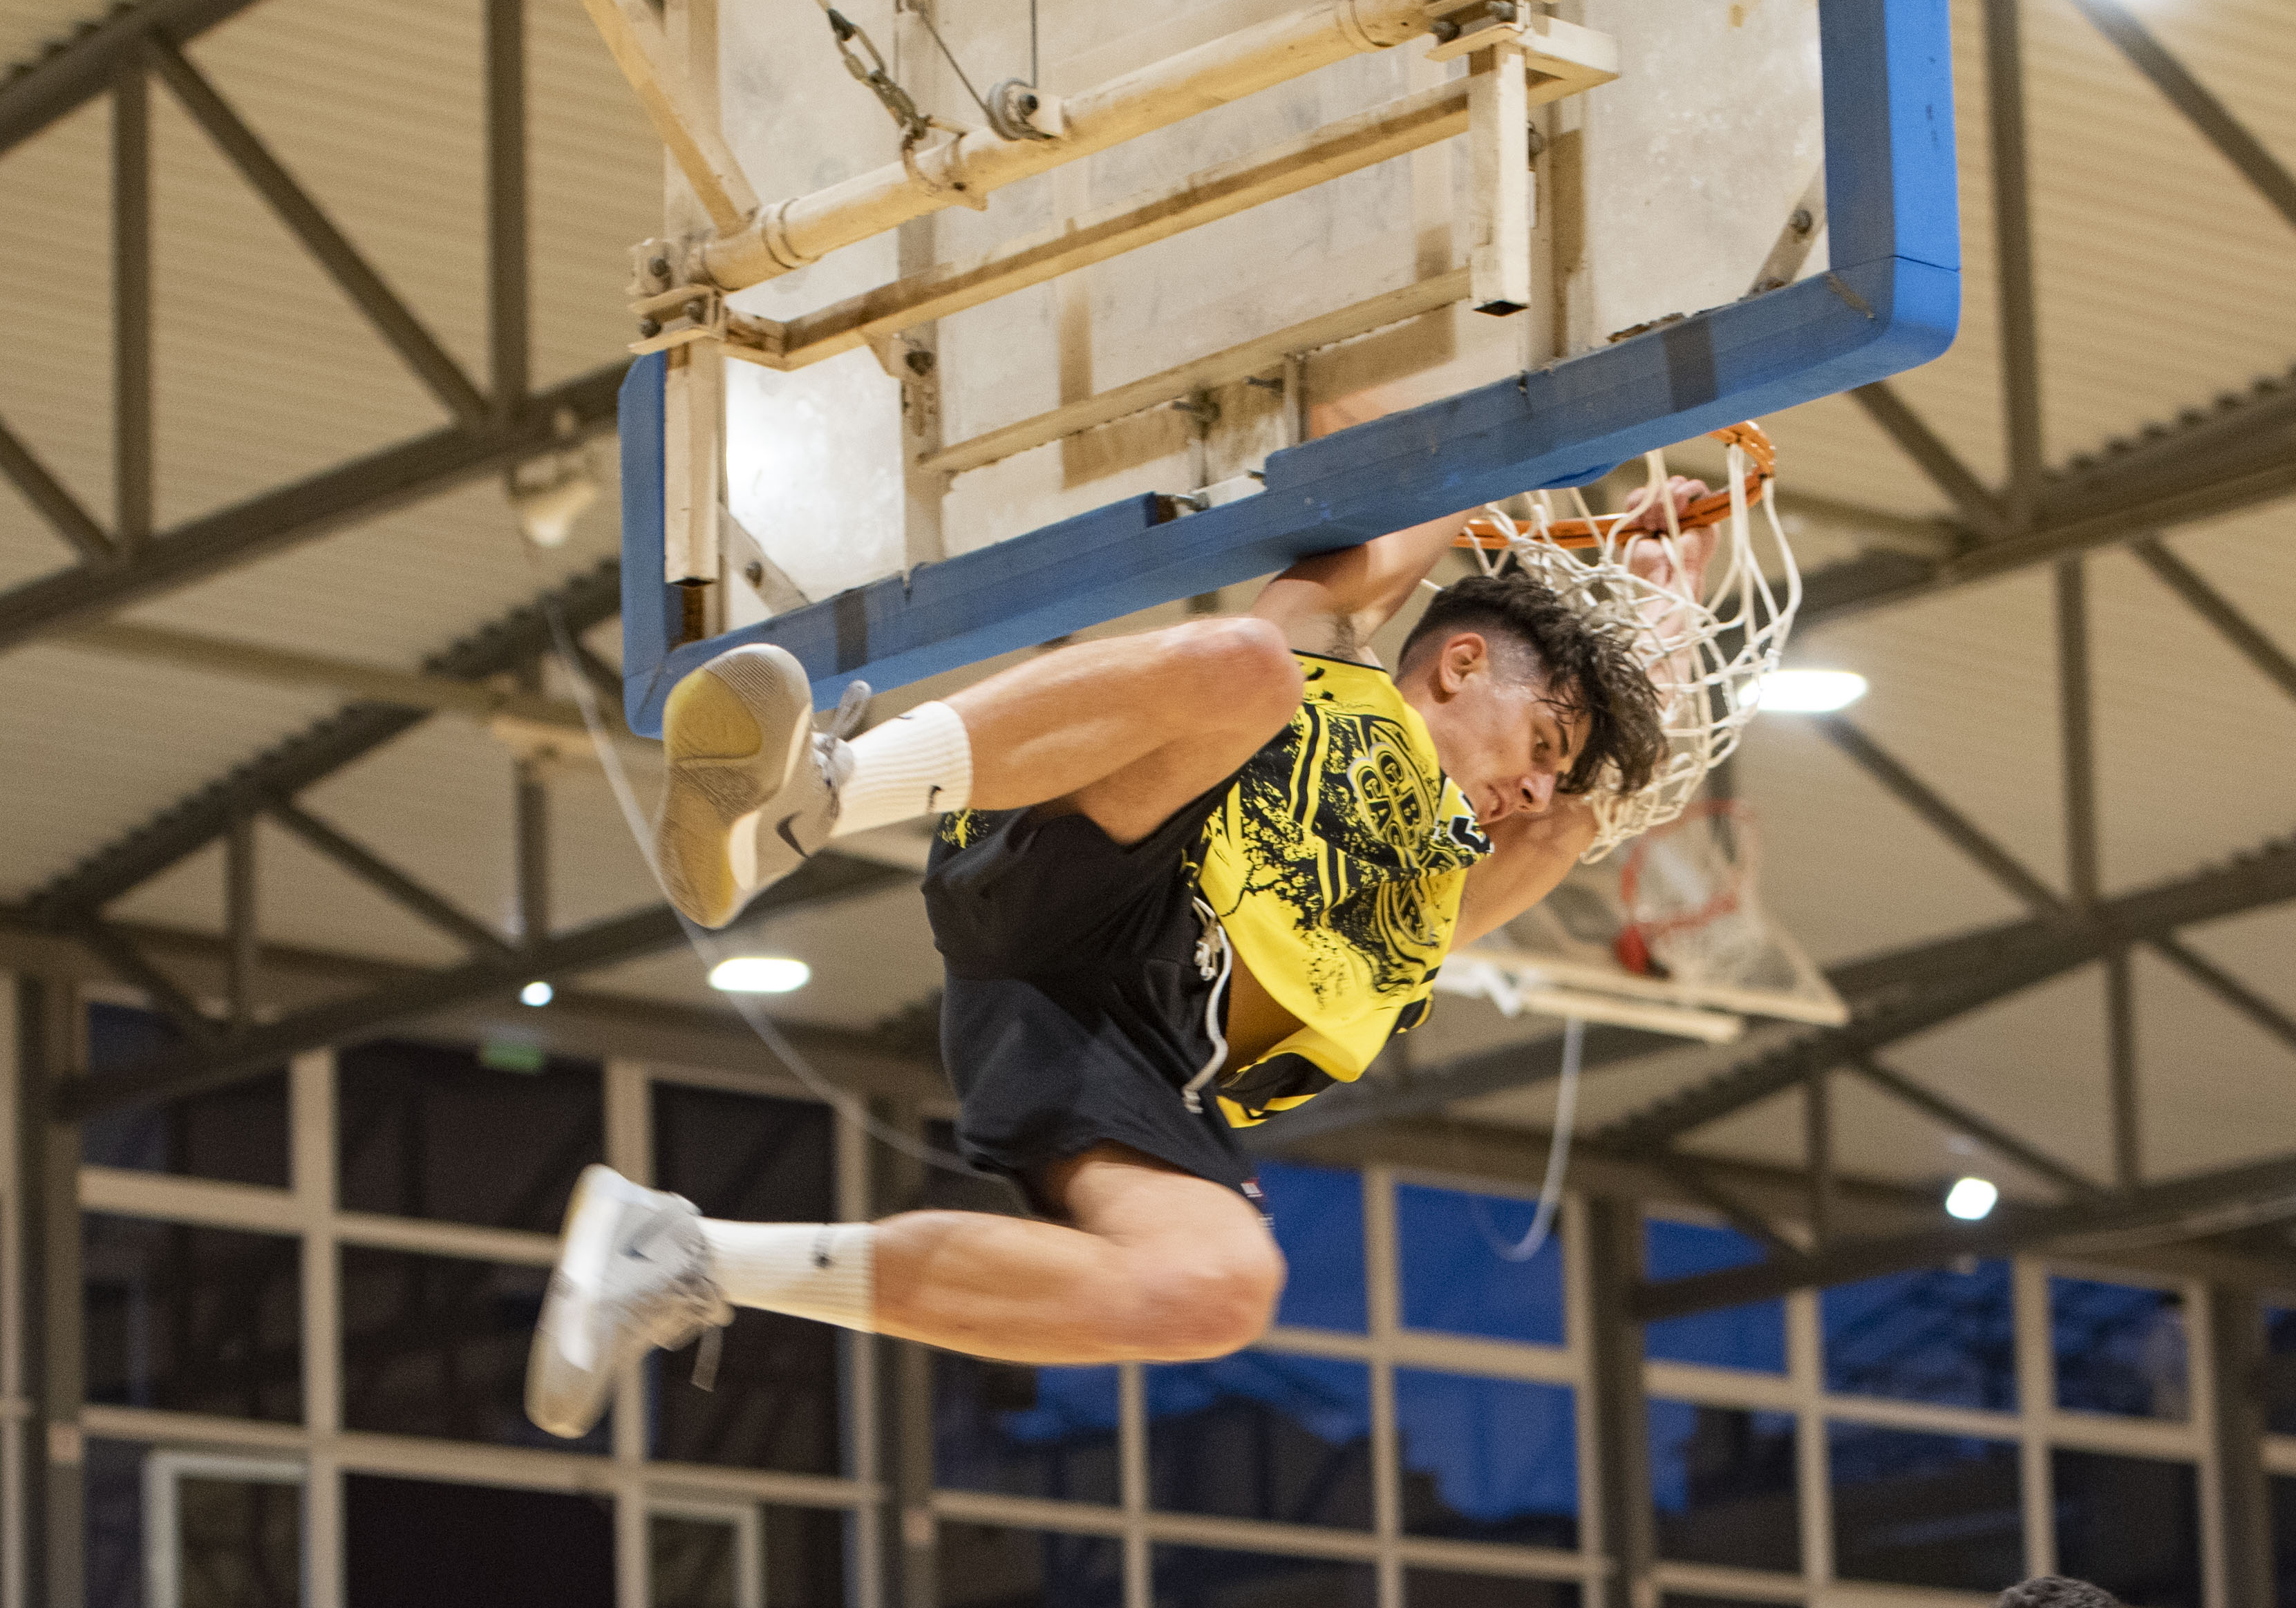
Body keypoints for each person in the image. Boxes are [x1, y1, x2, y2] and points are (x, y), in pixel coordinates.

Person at [527, 482, 1713, 1438]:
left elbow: (1600, 806)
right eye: (1543, 739)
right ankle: (823, 793)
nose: (1541, 783)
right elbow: (1411, 514)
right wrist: (1519, 441)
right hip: (1101, 883)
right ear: (1456, 664)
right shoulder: (1339, 680)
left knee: (1220, 1288)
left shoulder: (1453, 891)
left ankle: (685, 1256)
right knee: (1248, 658)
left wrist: (1663, 605)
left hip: (1132, 1061)